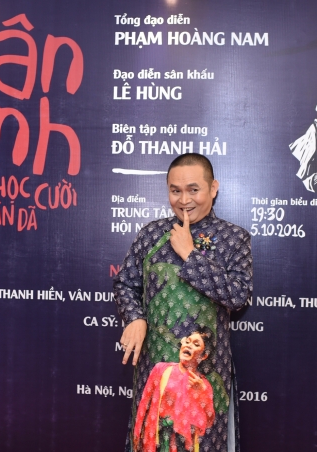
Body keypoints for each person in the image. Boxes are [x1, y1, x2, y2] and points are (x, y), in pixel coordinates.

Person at [114, 154, 253, 452]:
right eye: (175, 191)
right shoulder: (152, 234)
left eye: (193, 190)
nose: (184, 200)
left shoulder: (234, 238)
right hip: (155, 366)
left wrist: (191, 255)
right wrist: (135, 317)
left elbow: (239, 296)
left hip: (205, 369)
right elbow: (125, 283)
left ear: (213, 188)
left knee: (200, 441)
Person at [133, 327, 216, 452]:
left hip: (183, 445)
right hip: (155, 440)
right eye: (187, 341)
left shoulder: (204, 384)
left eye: (196, 344)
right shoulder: (161, 369)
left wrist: (202, 392)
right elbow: (144, 403)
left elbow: (209, 421)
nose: (188, 345)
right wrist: (137, 434)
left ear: (204, 355)